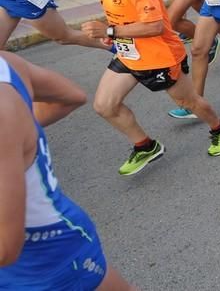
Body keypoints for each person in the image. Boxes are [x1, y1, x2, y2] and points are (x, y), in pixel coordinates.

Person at [79, 0, 220, 175]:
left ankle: (219, 127)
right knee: (105, 105)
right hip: (129, 52)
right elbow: (122, 13)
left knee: (189, 103)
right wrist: (112, 31)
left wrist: (109, 30)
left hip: (158, 56)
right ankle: (145, 146)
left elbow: (155, 27)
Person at [0, 52, 136, 290]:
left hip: (42, 260)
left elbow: (6, 247)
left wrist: (15, 138)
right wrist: (19, 140)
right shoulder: (7, 62)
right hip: (60, 238)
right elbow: (70, 97)